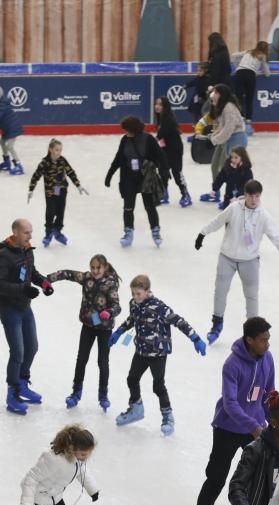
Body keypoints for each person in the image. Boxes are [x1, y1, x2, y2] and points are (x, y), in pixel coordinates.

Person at [187, 317, 275, 505]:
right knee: (216, 478)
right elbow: (230, 403)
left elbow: (268, 394)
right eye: (263, 339)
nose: (268, 344)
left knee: (261, 478)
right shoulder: (232, 364)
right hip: (227, 428)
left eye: (269, 339)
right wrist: (255, 427)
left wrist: (273, 421)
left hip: (254, 427)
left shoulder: (268, 358)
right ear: (250, 340)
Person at [195, 179, 279, 344]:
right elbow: (218, 220)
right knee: (220, 291)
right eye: (251, 196)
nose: (254, 200)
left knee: (251, 297)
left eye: (257, 196)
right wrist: (202, 233)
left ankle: (253, 332)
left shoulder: (263, 215)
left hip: (250, 261)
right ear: (245, 195)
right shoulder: (234, 208)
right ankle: (216, 325)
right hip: (227, 257)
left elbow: (277, 237)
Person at [109, 274, 206, 436]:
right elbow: (131, 319)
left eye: (138, 293)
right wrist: (119, 332)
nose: (135, 297)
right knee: (132, 379)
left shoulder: (159, 307)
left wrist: (195, 338)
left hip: (158, 352)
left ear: (147, 291)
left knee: (158, 385)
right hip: (141, 351)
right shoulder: (134, 304)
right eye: (133, 293)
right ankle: (136, 408)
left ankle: (168, 416)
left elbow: (179, 322)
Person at [0, 218, 54, 415]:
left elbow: (31, 273)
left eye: (31, 232)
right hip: (9, 309)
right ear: (16, 233)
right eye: (26, 233)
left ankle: (22, 383)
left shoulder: (28, 251)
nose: (30, 236)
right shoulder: (3, 256)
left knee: (32, 347)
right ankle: (12, 393)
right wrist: (23, 290)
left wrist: (43, 283)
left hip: (25, 307)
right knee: (17, 351)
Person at [46, 254, 121, 411]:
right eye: (92, 267)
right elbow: (67, 274)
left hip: (104, 329)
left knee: (102, 361)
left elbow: (117, 306)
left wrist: (109, 312)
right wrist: (48, 279)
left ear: (105, 267)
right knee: (82, 359)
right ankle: (76, 392)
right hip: (88, 325)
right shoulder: (86, 278)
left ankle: (103, 394)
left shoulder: (110, 284)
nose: (94, 270)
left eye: (98, 268)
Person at [105, 115, 169, 248]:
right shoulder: (125, 140)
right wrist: (109, 174)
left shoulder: (148, 139)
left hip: (145, 177)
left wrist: (164, 171)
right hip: (129, 177)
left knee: (149, 207)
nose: (125, 133)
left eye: (127, 130)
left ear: (133, 129)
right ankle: (128, 232)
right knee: (128, 207)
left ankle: (155, 231)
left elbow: (160, 155)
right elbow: (118, 158)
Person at [27, 138, 89, 247]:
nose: (59, 152)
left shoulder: (62, 160)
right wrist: (31, 189)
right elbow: (35, 176)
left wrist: (78, 185)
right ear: (50, 149)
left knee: (60, 212)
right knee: (51, 212)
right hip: (50, 192)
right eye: (56, 150)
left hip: (61, 190)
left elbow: (70, 172)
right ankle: (48, 233)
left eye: (60, 150)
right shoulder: (44, 163)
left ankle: (57, 230)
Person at [200, 84, 247, 192]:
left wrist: (213, 141)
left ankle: (234, 195)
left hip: (236, 139)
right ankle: (215, 192)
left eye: (216, 92)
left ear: (222, 94)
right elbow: (222, 126)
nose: (213, 95)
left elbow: (228, 129)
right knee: (215, 166)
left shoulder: (229, 107)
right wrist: (212, 137)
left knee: (230, 169)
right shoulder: (222, 106)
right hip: (226, 139)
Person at [154, 96, 192, 207]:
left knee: (176, 173)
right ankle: (164, 193)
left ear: (165, 107)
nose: (157, 106)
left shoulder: (168, 119)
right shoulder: (160, 118)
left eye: (160, 104)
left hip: (175, 150)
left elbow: (161, 135)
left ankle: (185, 194)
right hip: (165, 149)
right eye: (156, 104)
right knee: (163, 170)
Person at [232, 41, 270, 136]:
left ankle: (238, 122)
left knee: (238, 99)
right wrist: (262, 71)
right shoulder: (262, 56)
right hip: (250, 75)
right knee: (249, 99)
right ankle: (248, 123)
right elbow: (267, 73)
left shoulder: (248, 52)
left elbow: (233, 56)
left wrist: (238, 65)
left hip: (239, 73)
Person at [0, 82, 24, 174]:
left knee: (9, 146)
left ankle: (19, 165)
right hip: (7, 128)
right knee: (2, 142)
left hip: (13, 127)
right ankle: (7, 162)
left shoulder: (1, 106)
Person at [201, 146, 253, 210]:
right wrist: (215, 189)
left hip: (241, 200)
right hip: (228, 196)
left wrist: (238, 196)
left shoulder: (246, 171)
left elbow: (247, 187)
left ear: (242, 158)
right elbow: (220, 178)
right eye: (232, 157)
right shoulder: (227, 168)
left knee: (237, 214)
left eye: (236, 158)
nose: (233, 159)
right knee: (227, 211)